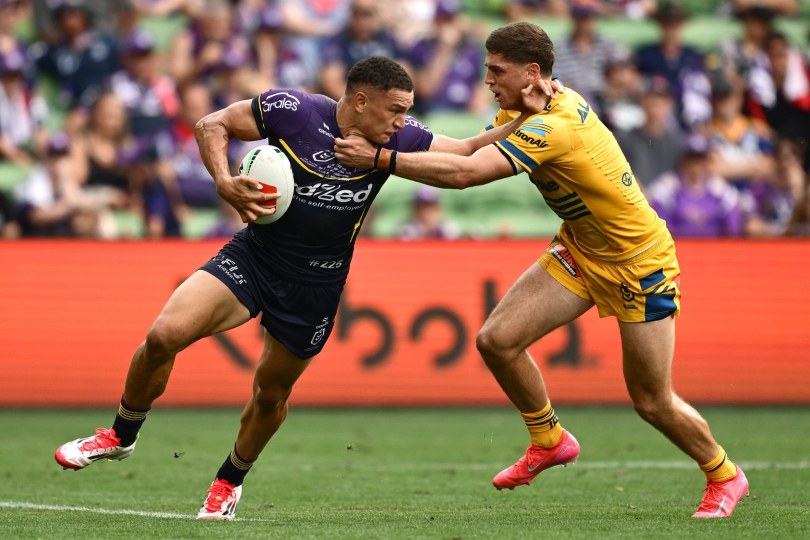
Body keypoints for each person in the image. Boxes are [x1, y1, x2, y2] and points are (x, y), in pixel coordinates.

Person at [52, 56, 557, 520]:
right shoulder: (294, 111)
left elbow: (466, 150)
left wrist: (528, 118)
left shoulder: (396, 140)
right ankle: (120, 433)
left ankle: (229, 481)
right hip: (256, 256)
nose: (402, 121)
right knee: (164, 335)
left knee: (271, 393)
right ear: (361, 101)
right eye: (395, 110)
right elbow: (213, 124)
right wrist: (223, 181)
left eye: (406, 112)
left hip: (316, 283)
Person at [334, 21, 749, 519]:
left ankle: (724, 473)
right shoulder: (526, 108)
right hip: (581, 249)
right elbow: (469, 148)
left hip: (638, 263)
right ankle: (549, 439)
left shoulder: (555, 125)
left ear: (531, 72)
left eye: (497, 70)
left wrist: (379, 158)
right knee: (497, 340)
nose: (488, 79)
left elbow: (467, 174)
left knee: (651, 401)